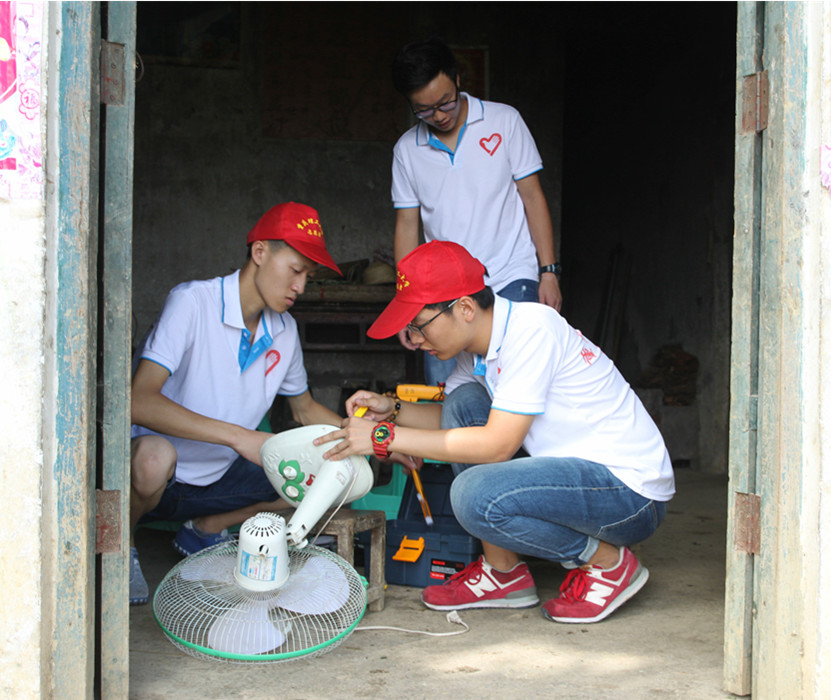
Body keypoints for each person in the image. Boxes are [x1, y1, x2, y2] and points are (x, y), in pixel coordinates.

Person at [321, 241, 674, 624]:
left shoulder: (532, 330)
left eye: (418, 326)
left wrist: (382, 439)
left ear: (465, 309)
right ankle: (503, 572)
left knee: (473, 494)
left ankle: (608, 564)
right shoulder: (476, 352)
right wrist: (393, 411)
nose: (415, 340)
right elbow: (450, 420)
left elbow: (497, 445)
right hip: (578, 480)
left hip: (628, 495)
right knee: (464, 403)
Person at [128, 202, 348, 605]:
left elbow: (304, 410)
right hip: (158, 478)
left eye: (308, 276)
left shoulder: (284, 329)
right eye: (295, 270)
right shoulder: (193, 302)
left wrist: (375, 440)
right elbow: (138, 401)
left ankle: (207, 526)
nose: (300, 286)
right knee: (152, 457)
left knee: (330, 475)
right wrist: (239, 437)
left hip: (221, 479)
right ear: (260, 253)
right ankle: (122, 545)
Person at [389, 38, 563, 385]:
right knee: (447, 395)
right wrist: (406, 303)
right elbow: (407, 226)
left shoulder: (505, 121)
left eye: (444, 103)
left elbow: (532, 198)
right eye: (423, 110)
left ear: (457, 79)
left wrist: (548, 272)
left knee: (517, 387)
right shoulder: (407, 150)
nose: (438, 115)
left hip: (512, 274)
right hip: (445, 291)